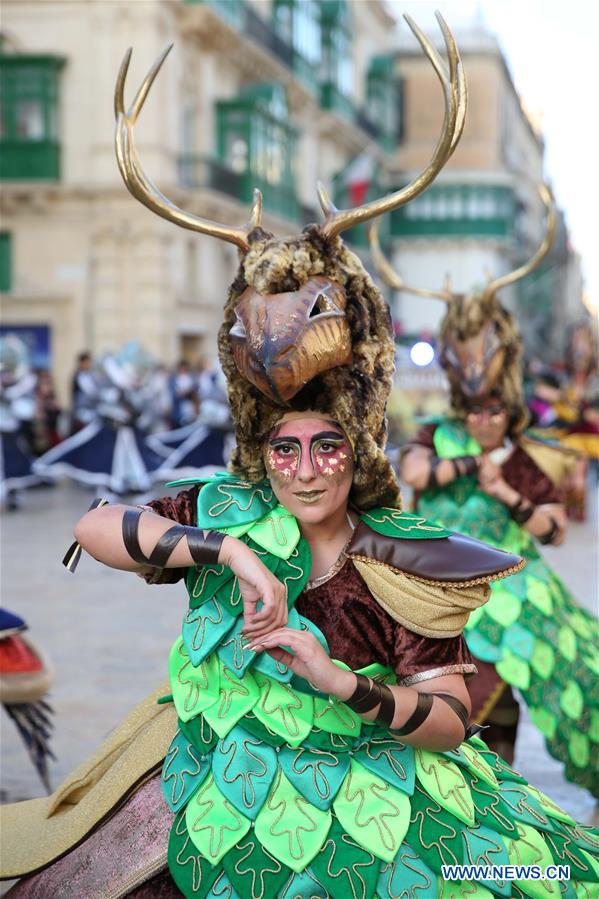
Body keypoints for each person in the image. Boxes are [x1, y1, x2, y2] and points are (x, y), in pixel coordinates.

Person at [3, 26, 598, 898]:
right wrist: (229, 552)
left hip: (376, 795)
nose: (306, 466)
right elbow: (98, 525)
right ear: (262, 448)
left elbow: (442, 718)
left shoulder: (405, 554)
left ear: (354, 448)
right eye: (284, 447)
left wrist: (341, 686)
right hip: (215, 787)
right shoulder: (224, 506)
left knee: (498, 871)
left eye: (327, 445)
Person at [369, 189, 599, 795]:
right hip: (439, 584)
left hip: (514, 583)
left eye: (493, 408)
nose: (483, 417)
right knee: (440, 698)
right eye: (475, 409)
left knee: (561, 683)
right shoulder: (437, 437)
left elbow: (551, 526)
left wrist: (510, 493)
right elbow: (414, 476)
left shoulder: (521, 453)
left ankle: (504, 805)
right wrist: (473, 464)